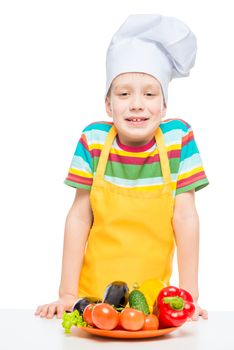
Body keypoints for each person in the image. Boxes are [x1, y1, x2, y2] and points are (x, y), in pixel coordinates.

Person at [35, 14, 209, 321]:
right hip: (92, 302)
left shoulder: (177, 140)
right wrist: (67, 295)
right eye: (124, 93)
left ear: (164, 105)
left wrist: (189, 297)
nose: (137, 104)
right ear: (108, 104)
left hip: (153, 306)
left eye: (150, 93)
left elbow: (185, 217)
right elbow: (79, 216)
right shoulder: (94, 140)